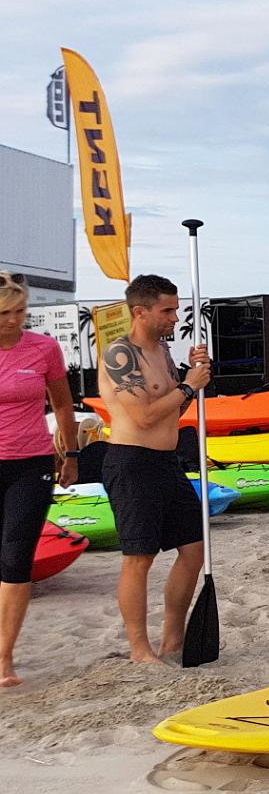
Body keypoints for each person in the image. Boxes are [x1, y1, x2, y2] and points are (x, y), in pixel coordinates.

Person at [97, 275, 210, 665]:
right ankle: (139, 647)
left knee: (194, 549)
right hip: (132, 462)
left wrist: (194, 380)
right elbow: (143, 415)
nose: (174, 317)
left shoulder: (162, 352)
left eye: (176, 308)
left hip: (167, 461)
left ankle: (172, 639)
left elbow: (171, 410)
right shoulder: (119, 354)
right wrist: (190, 387)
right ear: (139, 311)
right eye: (167, 310)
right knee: (139, 557)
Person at [0, 275, 79, 686]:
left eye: (20, 312)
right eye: (4, 314)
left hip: (31, 464)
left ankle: (4, 658)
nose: (14, 321)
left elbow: (62, 403)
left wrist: (71, 454)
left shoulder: (43, 348)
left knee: (15, 561)